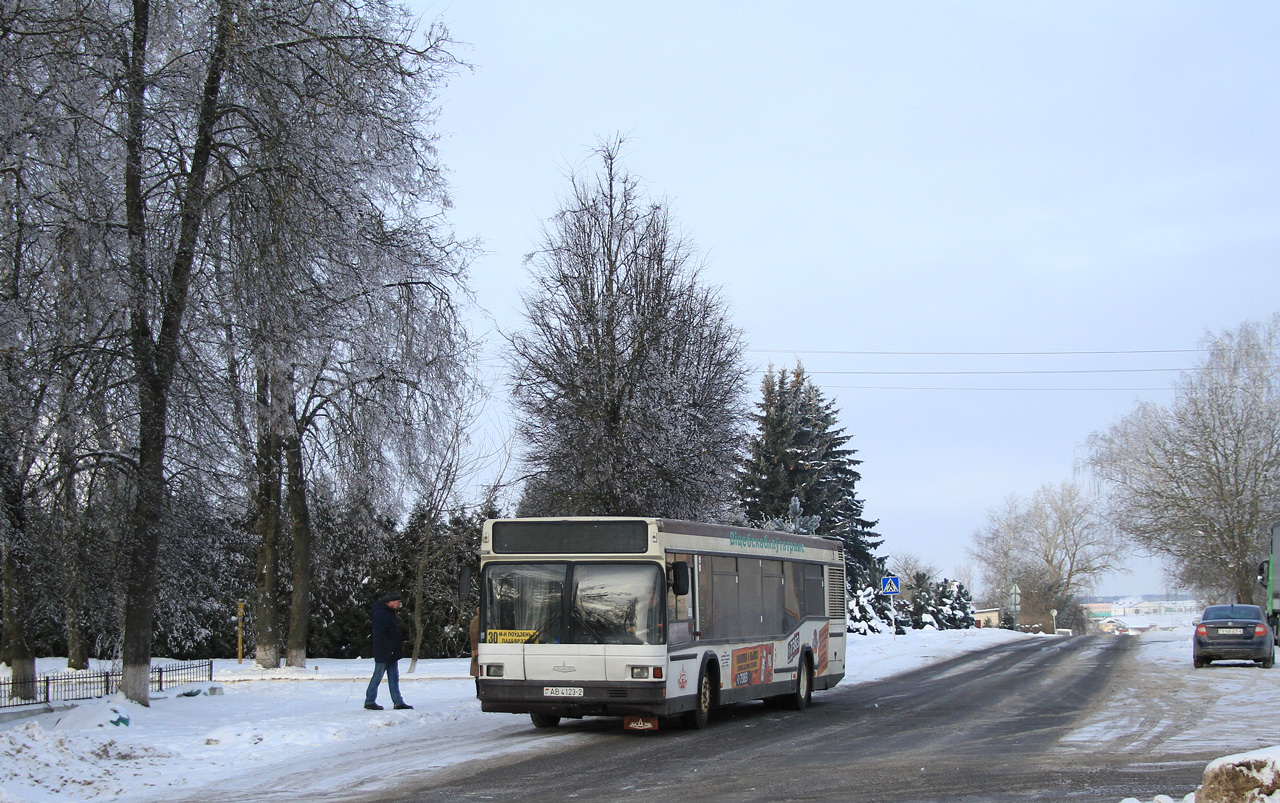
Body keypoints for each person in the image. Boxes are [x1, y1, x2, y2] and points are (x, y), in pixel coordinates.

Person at [365, 591, 412, 710]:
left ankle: (398, 701)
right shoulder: (381, 614)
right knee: (378, 676)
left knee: (393, 677)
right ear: (390, 602)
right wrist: (389, 648)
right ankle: (370, 700)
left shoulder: (389, 613)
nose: (399, 604)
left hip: (391, 651)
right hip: (384, 651)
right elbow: (380, 634)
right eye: (397, 602)